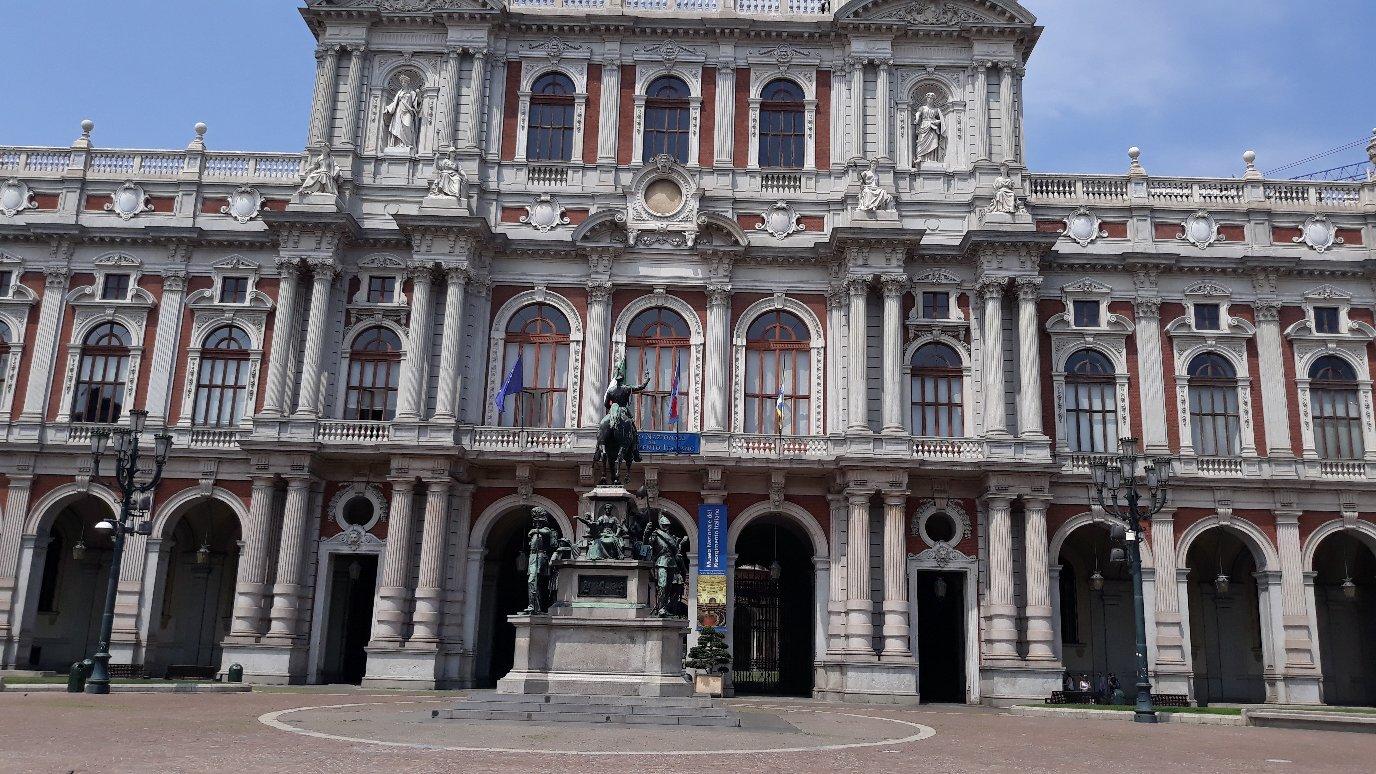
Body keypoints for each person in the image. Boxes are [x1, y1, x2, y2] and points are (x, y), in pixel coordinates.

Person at [522, 507, 559, 614]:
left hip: (540, 557)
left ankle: (533, 606)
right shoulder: (535, 533)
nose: (537, 524)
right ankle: (535, 607)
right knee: (534, 582)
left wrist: (535, 530)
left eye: (539, 522)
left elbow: (546, 532)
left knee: (533, 580)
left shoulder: (545, 530)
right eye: (535, 522)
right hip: (533, 557)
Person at [383, 74, 421, 150]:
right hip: (399, 111)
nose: (403, 84)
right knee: (398, 128)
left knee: (407, 125)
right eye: (402, 82)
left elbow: (417, 103)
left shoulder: (412, 92)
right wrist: (388, 108)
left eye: (404, 82)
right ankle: (398, 144)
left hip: (408, 111)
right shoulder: (399, 92)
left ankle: (408, 145)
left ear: (407, 83)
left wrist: (419, 94)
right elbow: (395, 102)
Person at [913, 92, 944, 163]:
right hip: (924, 126)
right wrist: (917, 119)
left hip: (932, 128)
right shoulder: (922, 108)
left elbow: (942, 120)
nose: (930, 99)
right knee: (921, 141)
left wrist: (936, 122)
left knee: (934, 142)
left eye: (931, 98)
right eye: (929, 98)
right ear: (926, 99)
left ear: (933, 100)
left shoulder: (936, 110)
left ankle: (932, 159)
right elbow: (918, 113)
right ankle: (920, 157)